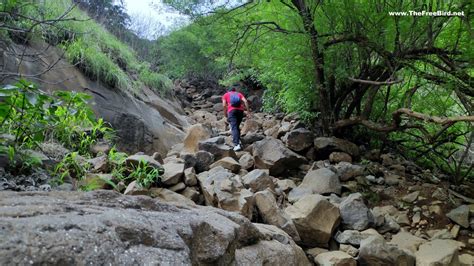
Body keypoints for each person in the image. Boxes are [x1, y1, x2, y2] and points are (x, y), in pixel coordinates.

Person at [222, 83, 251, 151]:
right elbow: (245, 101)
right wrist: (248, 112)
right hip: (240, 111)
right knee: (236, 126)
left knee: (234, 127)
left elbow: (224, 105)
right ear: (234, 90)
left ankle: (236, 144)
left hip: (232, 111)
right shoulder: (239, 94)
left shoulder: (226, 95)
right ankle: (238, 140)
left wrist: (225, 114)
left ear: (228, 91)